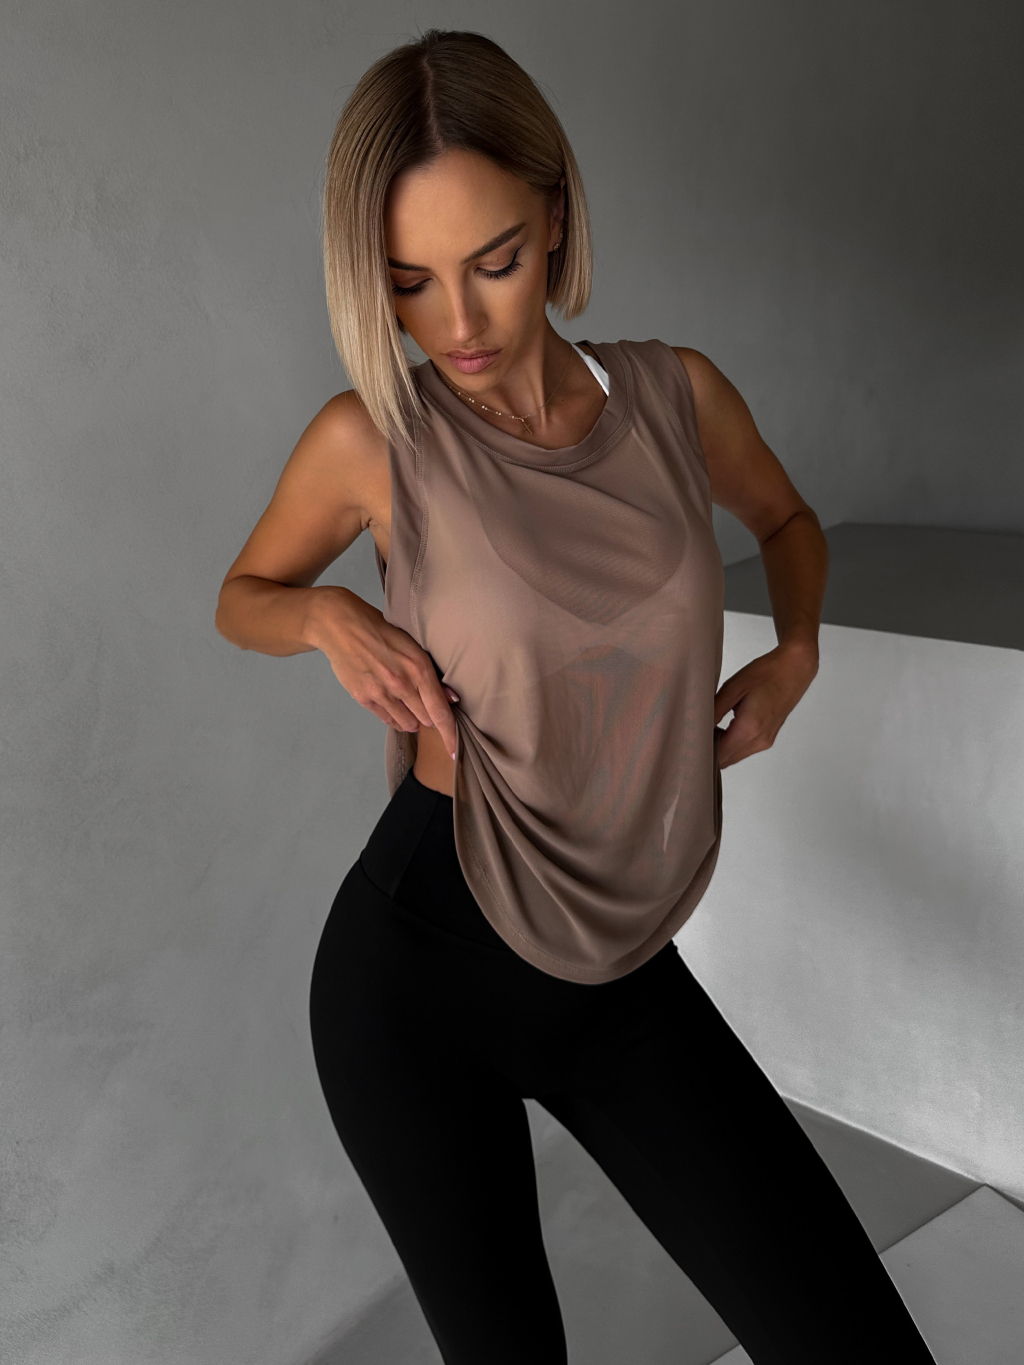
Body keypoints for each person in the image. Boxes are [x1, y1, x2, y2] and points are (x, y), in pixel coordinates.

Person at [215, 28, 937, 1365]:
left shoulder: (675, 395)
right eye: (410, 282)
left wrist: (796, 653)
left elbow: (787, 520)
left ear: (555, 215)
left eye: (493, 261)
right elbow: (242, 593)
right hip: (415, 976)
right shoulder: (373, 439)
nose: (459, 324)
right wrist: (323, 615)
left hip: (617, 970)